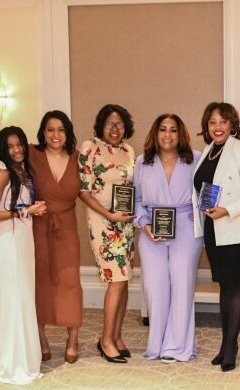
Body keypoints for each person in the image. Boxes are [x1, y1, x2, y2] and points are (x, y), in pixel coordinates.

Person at [192, 102, 240, 372]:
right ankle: (225, 343)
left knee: (235, 286)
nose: (217, 127)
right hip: (213, 228)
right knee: (224, 285)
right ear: (206, 127)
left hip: (236, 228)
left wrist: (227, 210)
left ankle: (231, 345)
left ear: (232, 124)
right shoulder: (209, 151)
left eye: (223, 122)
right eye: (212, 122)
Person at [134, 114, 203, 363]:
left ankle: (177, 347)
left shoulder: (195, 159)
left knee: (182, 285)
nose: (167, 134)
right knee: (155, 287)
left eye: (173, 130)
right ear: (155, 133)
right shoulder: (143, 162)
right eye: (163, 129)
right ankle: (158, 344)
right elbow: (136, 199)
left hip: (185, 227)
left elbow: (205, 193)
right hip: (152, 229)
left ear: (180, 134)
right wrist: (144, 223)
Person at [0, 127, 46, 384]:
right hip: (6, 241)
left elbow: (23, 207)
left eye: (19, 144)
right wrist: (22, 212)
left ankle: (24, 358)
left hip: (22, 238)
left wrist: (32, 210)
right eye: (10, 146)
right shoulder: (3, 173)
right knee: (12, 298)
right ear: (2, 150)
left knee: (23, 297)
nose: (16, 150)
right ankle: (11, 363)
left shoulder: (23, 171)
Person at [79, 104, 136, 364]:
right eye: (110, 124)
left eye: (120, 124)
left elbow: (131, 186)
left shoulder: (128, 150)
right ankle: (105, 340)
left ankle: (116, 335)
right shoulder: (89, 147)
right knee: (116, 278)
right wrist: (109, 215)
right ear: (101, 125)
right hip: (103, 222)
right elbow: (84, 190)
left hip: (125, 223)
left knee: (124, 280)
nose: (115, 129)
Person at [28, 110, 83, 364]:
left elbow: (92, 190)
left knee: (71, 281)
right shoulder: (32, 155)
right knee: (39, 282)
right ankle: (41, 338)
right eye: (50, 129)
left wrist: (112, 213)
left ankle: (73, 337)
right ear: (43, 133)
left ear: (68, 132)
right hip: (38, 228)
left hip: (67, 229)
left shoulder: (77, 158)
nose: (55, 135)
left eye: (61, 129)